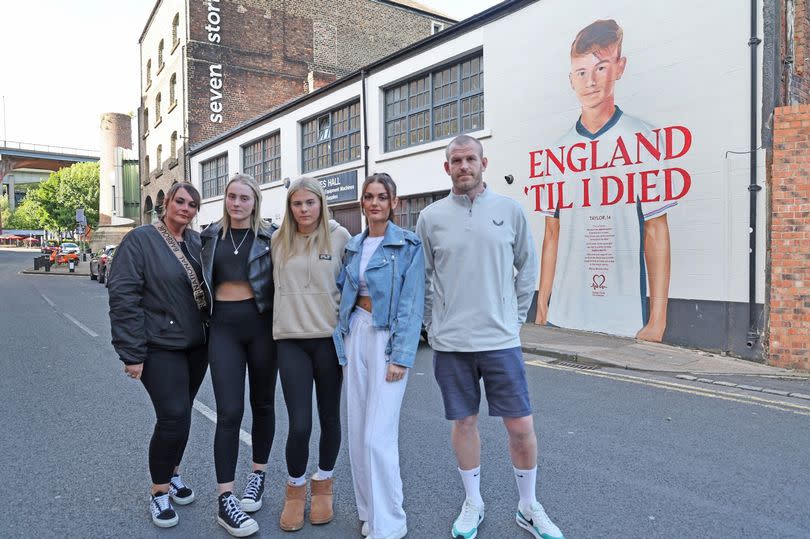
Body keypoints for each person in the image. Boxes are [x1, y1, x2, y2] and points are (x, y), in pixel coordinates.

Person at [416, 135, 564, 539]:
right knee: (464, 424)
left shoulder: (509, 210)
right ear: (446, 168)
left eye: (471, 159)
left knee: (520, 427)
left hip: (500, 341)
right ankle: (473, 502)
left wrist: (513, 320)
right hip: (451, 345)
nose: (464, 166)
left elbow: (527, 269)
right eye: (456, 160)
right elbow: (425, 278)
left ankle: (528, 506)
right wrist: (433, 325)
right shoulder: (430, 217)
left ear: (484, 163)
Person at [534, 19, 673, 342]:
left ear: (620, 67)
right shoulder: (558, 151)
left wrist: (657, 322)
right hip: (561, 318)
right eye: (581, 72)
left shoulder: (645, 138)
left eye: (601, 68)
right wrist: (542, 311)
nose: (591, 81)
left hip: (626, 324)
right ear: (571, 79)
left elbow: (656, 229)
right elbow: (551, 234)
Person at [108, 182, 209, 529]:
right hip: (159, 346)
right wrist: (131, 353)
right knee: (173, 416)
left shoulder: (197, 242)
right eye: (180, 201)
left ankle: (174, 472)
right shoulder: (140, 240)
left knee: (183, 417)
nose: (186, 207)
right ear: (166, 203)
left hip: (197, 346)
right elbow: (123, 295)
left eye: (192, 204)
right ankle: (159, 491)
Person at [334, 173, 424, 539]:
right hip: (355, 333)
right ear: (362, 203)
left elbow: (411, 303)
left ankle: (391, 523)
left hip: (386, 337)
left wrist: (401, 356)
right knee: (357, 433)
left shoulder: (408, 245)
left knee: (377, 436)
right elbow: (344, 291)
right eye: (369, 197)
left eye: (382, 197)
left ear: (394, 203)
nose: (374, 203)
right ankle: (369, 512)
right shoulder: (354, 245)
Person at [271, 177, 351, 532]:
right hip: (290, 341)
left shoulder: (341, 238)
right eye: (297, 204)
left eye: (309, 203)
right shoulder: (277, 240)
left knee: (330, 418)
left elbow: (353, 288)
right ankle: (295, 491)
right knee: (300, 424)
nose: (303, 210)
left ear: (321, 203)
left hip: (329, 342)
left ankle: (324, 487)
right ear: (290, 207)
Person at [200, 173, 277, 537]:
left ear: (254, 201)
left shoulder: (270, 237)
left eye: (245, 198)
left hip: (262, 327)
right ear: (225, 199)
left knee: (262, 405)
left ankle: (257, 475)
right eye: (232, 196)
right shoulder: (210, 237)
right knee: (229, 412)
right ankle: (225, 499)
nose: (237, 203)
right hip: (224, 329)